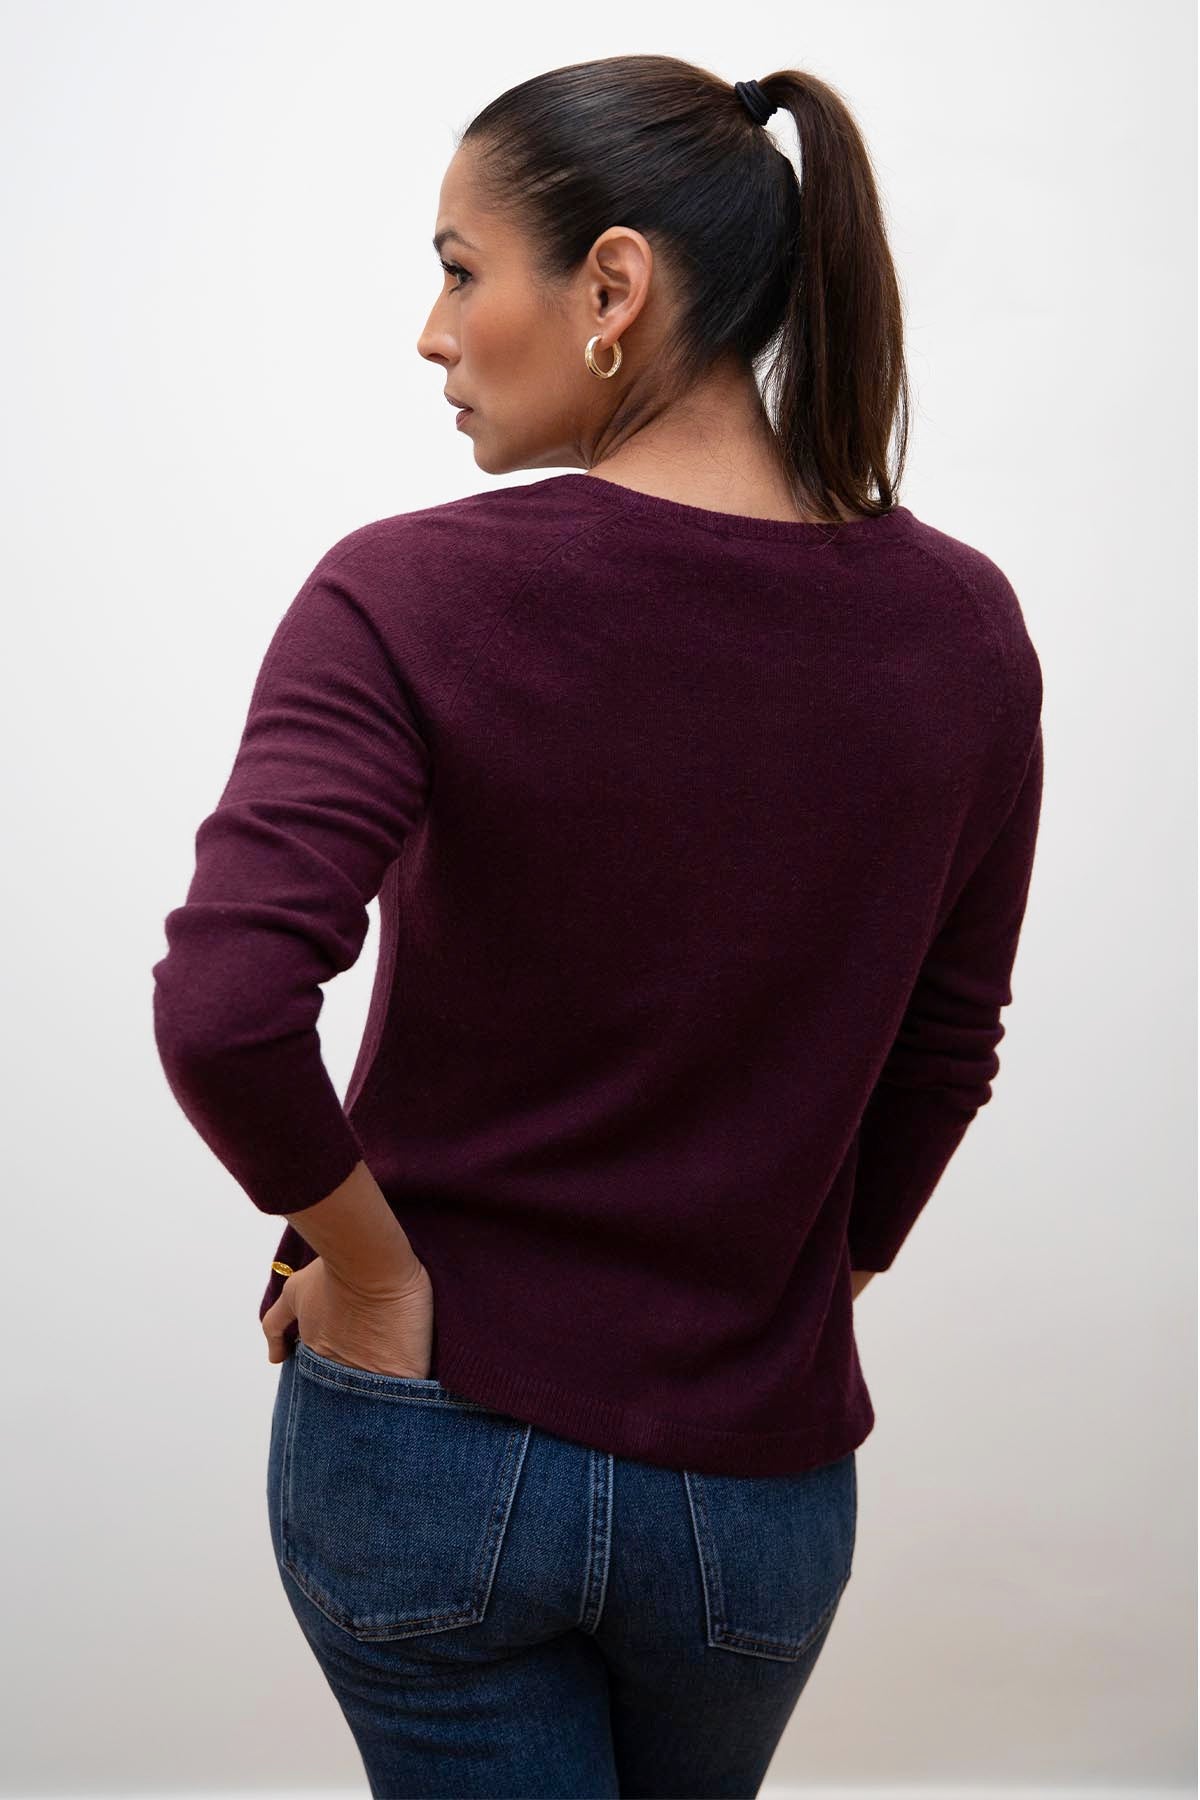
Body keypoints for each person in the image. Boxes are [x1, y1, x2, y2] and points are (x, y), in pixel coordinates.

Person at [152, 53, 1045, 1799]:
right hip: (758, 1494)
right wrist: (781, 1306)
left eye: (461, 268)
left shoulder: (409, 591)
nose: (431, 332)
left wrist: (373, 1269)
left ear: (614, 286)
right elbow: (949, 1050)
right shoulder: (965, 630)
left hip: (431, 1438)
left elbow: (225, 1009)